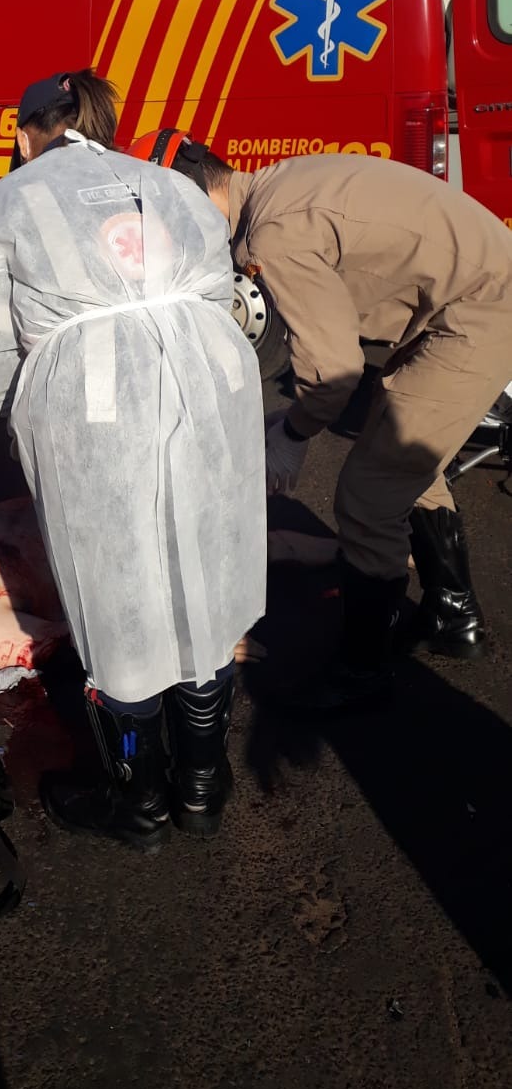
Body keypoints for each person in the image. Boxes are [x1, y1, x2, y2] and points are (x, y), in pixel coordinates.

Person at [0, 69, 266, 853]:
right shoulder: (169, 184)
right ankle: (202, 784)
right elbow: (221, 289)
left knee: (118, 601)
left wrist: (31, 417)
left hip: (94, 415)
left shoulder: (10, 201)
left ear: (26, 135)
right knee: (207, 579)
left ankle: (140, 800)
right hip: (212, 395)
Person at [130, 130, 512, 708]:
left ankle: (363, 669)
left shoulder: (272, 231)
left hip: (480, 308)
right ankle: (452, 617)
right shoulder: (273, 187)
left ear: (184, 195)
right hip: (461, 298)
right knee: (404, 454)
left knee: (368, 494)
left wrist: (292, 433)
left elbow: (334, 368)